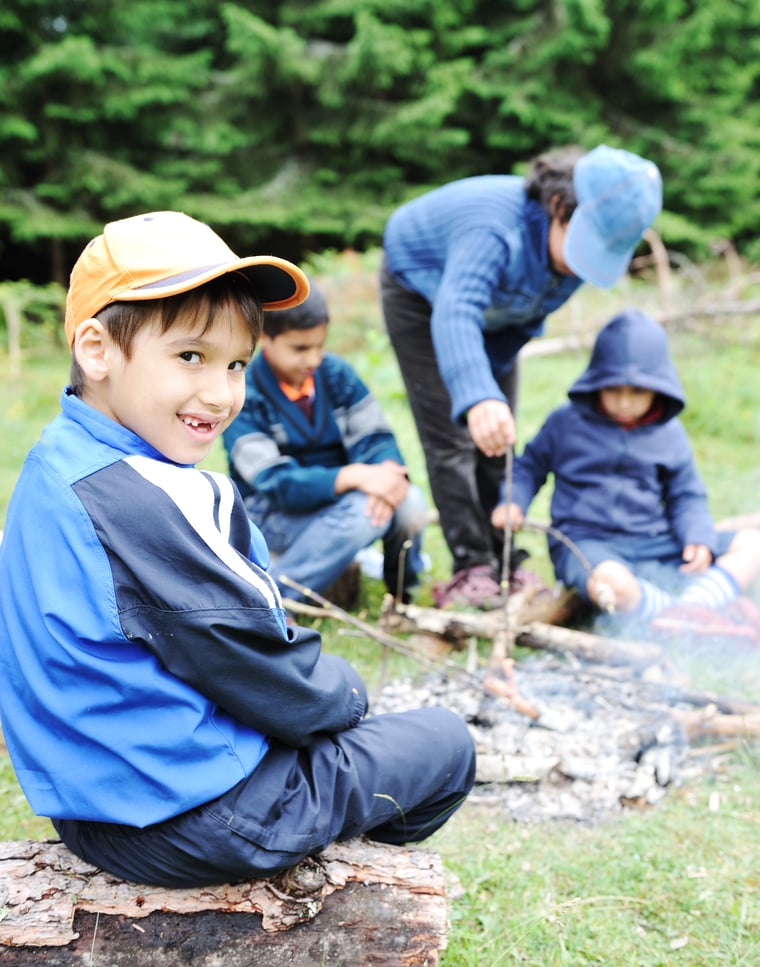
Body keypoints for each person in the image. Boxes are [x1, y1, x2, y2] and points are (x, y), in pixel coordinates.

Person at [0, 211, 476, 889]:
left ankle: (315, 858)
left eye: (236, 364)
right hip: (198, 813)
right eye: (190, 356)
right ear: (98, 350)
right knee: (446, 743)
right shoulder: (139, 501)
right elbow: (272, 679)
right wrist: (350, 692)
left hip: (96, 804)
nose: (221, 393)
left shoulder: (58, 459)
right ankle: (337, 891)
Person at [380, 143, 663, 609]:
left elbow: (530, 319)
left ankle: (506, 561)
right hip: (421, 290)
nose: (580, 263)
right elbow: (456, 311)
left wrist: (489, 390)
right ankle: (472, 567)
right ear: (558, 206)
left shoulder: (570, 262)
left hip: (498, 318)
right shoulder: (495, 228)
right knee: (452, 436)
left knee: (497, 433)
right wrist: (474, 396)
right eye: (583, 243)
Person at [490, 308, 760, 641]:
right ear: (596, 381)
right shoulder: (566, 423)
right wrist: (512, 501)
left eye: (637, 392)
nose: (624, 403)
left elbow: (686, 493)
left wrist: (697, 536)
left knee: (752, 543)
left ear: (658, 390)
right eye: (614, 389)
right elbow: (529, 466)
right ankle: (683, 613)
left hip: (655, 542)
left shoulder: (668, 433)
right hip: (587, 542)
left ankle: (689, 610)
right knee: (613, 584)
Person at [224, 282, 427, 605]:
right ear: (264, 337)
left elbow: (375, 438)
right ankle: (274, 598)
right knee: (363, 514)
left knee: (410, 501)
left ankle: (402, 596)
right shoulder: (245, 392)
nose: (314, 359)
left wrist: (388, 472)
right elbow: (275, 482)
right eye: (301, 349)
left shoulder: (336, 375)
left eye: (320, 346)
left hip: (345, 500)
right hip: (272, 512)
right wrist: (352, 477)